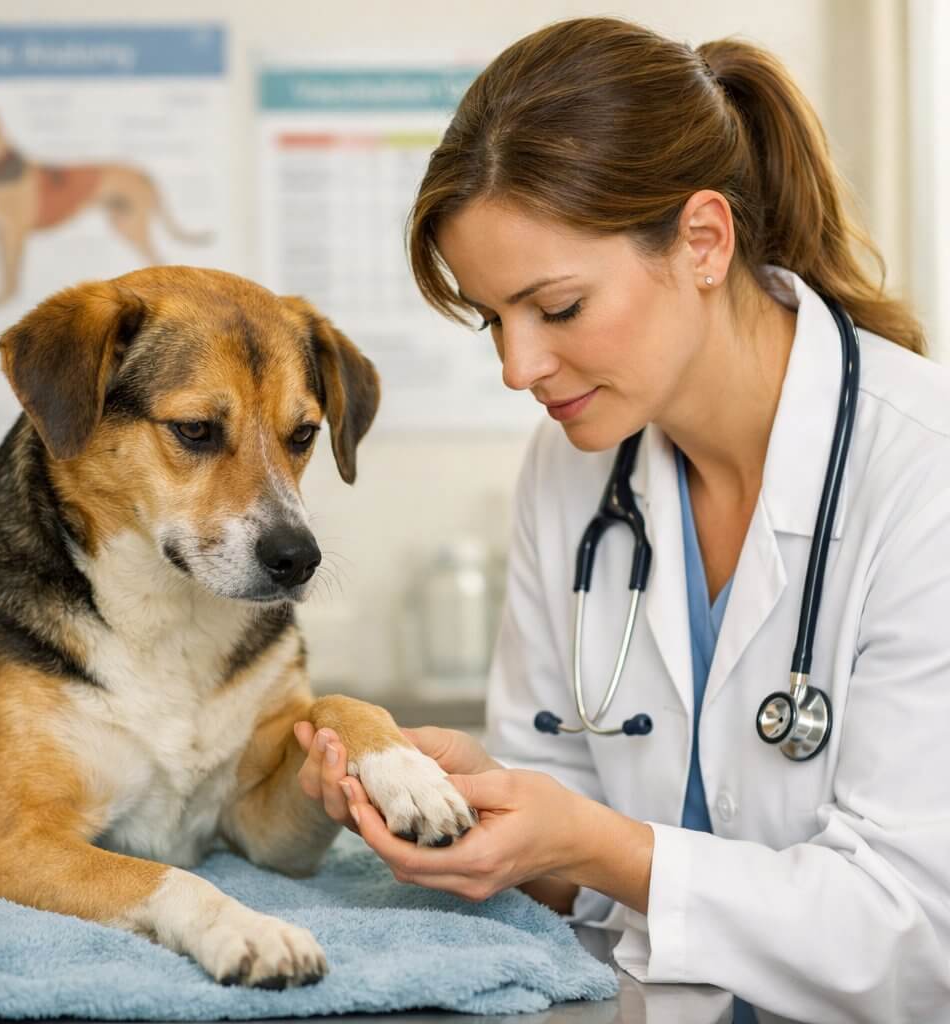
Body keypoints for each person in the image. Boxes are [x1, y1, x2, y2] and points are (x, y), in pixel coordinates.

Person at [295, 16, 950, 1023]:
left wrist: (595, 842)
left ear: (701, 241)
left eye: (554, 308)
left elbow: (917, 934)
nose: (517, 369)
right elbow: (569, 869)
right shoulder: (569, 474)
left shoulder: (921, 471)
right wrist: (495, 817)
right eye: (492, 321)